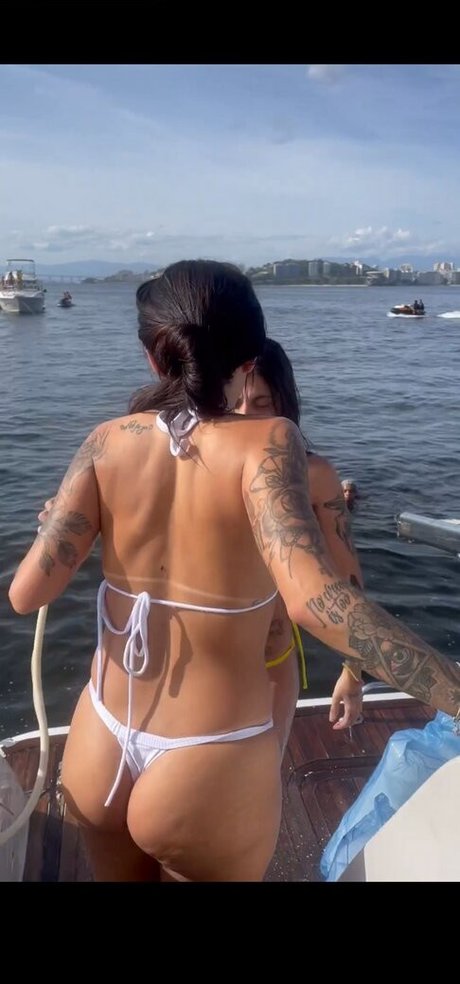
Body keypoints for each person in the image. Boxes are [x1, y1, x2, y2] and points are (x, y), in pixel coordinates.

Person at [8, 259, 460, 883]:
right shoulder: (271, 441)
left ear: (154, 358)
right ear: (250, 359)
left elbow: (27, 592)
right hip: (207, 754)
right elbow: (314, 601)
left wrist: (71, 522)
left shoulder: (105, 440)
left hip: (101, 738)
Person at [235, 338, 364, 752]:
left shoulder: (314, 475)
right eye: (235, 402)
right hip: (194, 664)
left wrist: (353, 672)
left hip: (272, 657)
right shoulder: (192, 464)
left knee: (265, 768)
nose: (245, 415)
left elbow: (346, 576)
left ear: (284, 405)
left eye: (261, 403)